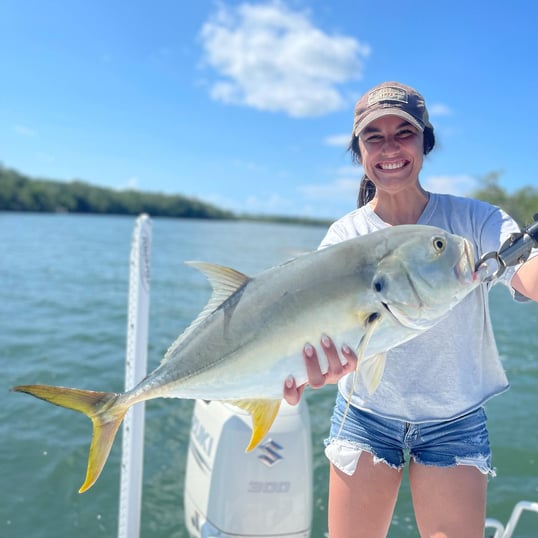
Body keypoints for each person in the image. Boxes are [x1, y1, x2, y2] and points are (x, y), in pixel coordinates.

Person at [283, 81, 538, 538]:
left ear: (426, 141)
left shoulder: (473, 221)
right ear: (359, 150)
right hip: (364, 414)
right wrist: (313, 372)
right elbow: (315, 333)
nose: (390, 148)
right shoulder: (344, 238)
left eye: (404, 132)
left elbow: (528, 276)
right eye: (373, 137)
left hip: (453, 420)